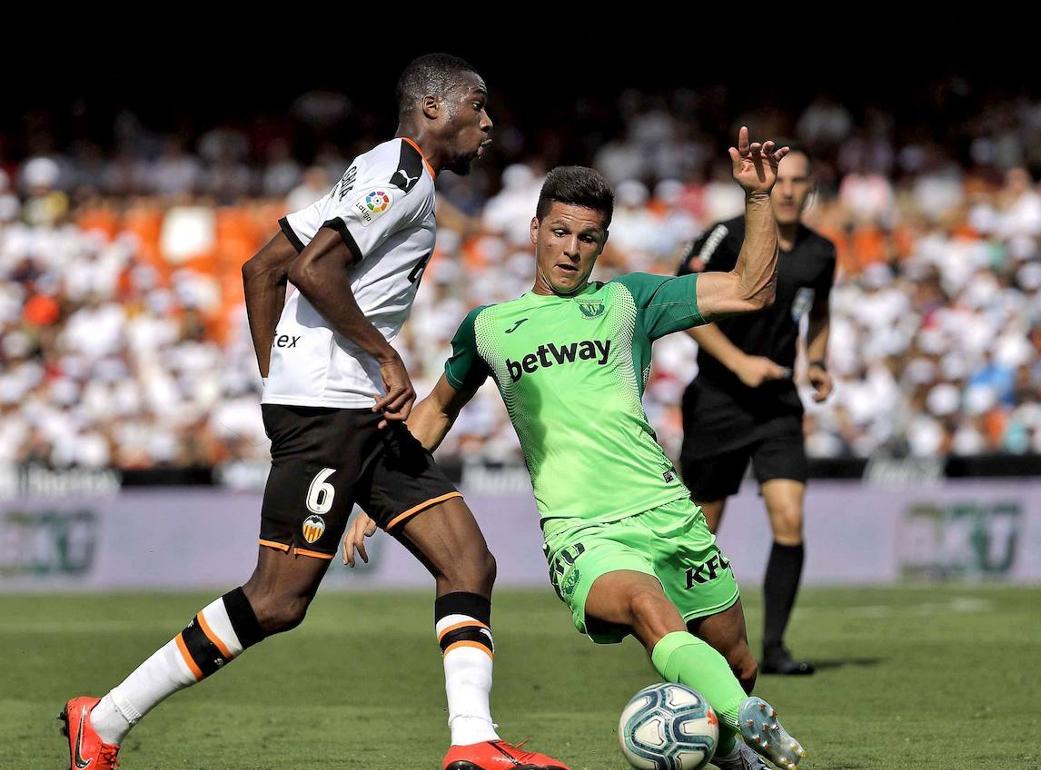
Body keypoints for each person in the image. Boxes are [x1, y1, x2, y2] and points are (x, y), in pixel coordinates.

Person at [61, 53, 567, 770]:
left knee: (467, 560)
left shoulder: (375, 170)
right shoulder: (400, 176)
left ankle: (472, 742)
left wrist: (284, 372)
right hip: (336, 408)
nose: (487, 123)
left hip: (349, 406)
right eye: (476, 107)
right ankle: (103, 720)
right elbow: (310, 269)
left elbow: (260, 267)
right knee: (277, 600)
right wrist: (375, 361)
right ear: (432, 108)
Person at [346, 129, 807, 770]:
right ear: (535, 228)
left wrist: (757, 200)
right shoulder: (491, 328)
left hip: (666, 512)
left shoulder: (630, 301)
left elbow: (751, 291)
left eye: (587, 238)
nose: (571, 249)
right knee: (649, 607)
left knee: (737, 661)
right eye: (560, 232)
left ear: (603, 244)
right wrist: (383, 485)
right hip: (583, 529)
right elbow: (438, 409)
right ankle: (745, 719)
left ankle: (732, 733)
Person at [676, 144, 835, 675]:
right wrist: (739, 362)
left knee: (790, 518)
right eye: (780, 180)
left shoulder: (821, 253)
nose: (787, 191)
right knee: (701, 532)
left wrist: (815, 361)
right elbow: (682, 303)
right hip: (718, 400)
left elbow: (820, 314)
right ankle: (682, 644)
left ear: (810, 188)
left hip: (776, 405)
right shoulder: (727, 235)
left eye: (798, 181)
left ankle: (776, 647)